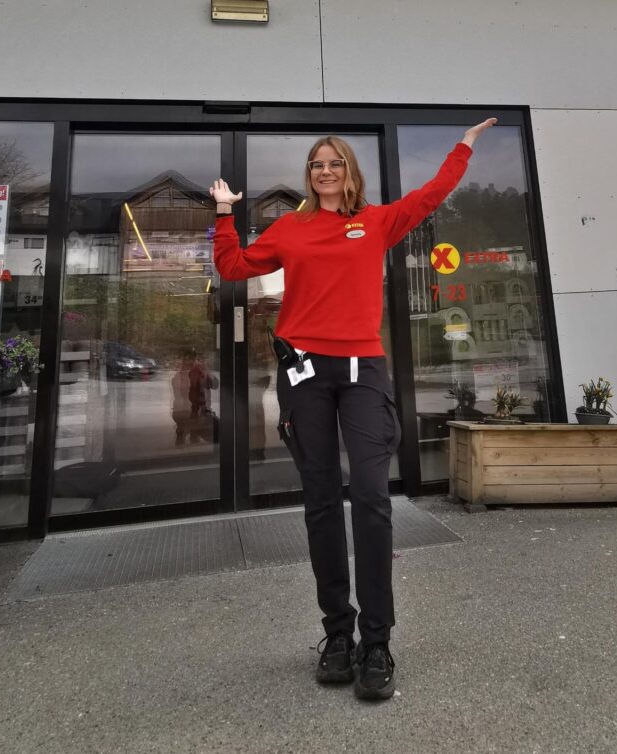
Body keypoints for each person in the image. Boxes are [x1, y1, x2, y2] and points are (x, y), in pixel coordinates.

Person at [210, 118, 497, 701]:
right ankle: (337, 634)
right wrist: (222, 214)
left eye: (334, 163)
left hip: (363, 370)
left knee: (370, 496)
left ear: (349, 172)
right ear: (309, 175)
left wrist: (462, 148)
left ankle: (377, 641)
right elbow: (234, 267)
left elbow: (431, 195)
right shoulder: (291, 228)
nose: (325, 171)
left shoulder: (377, 221)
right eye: (317, 164)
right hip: (305, 373)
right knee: (320, 500)